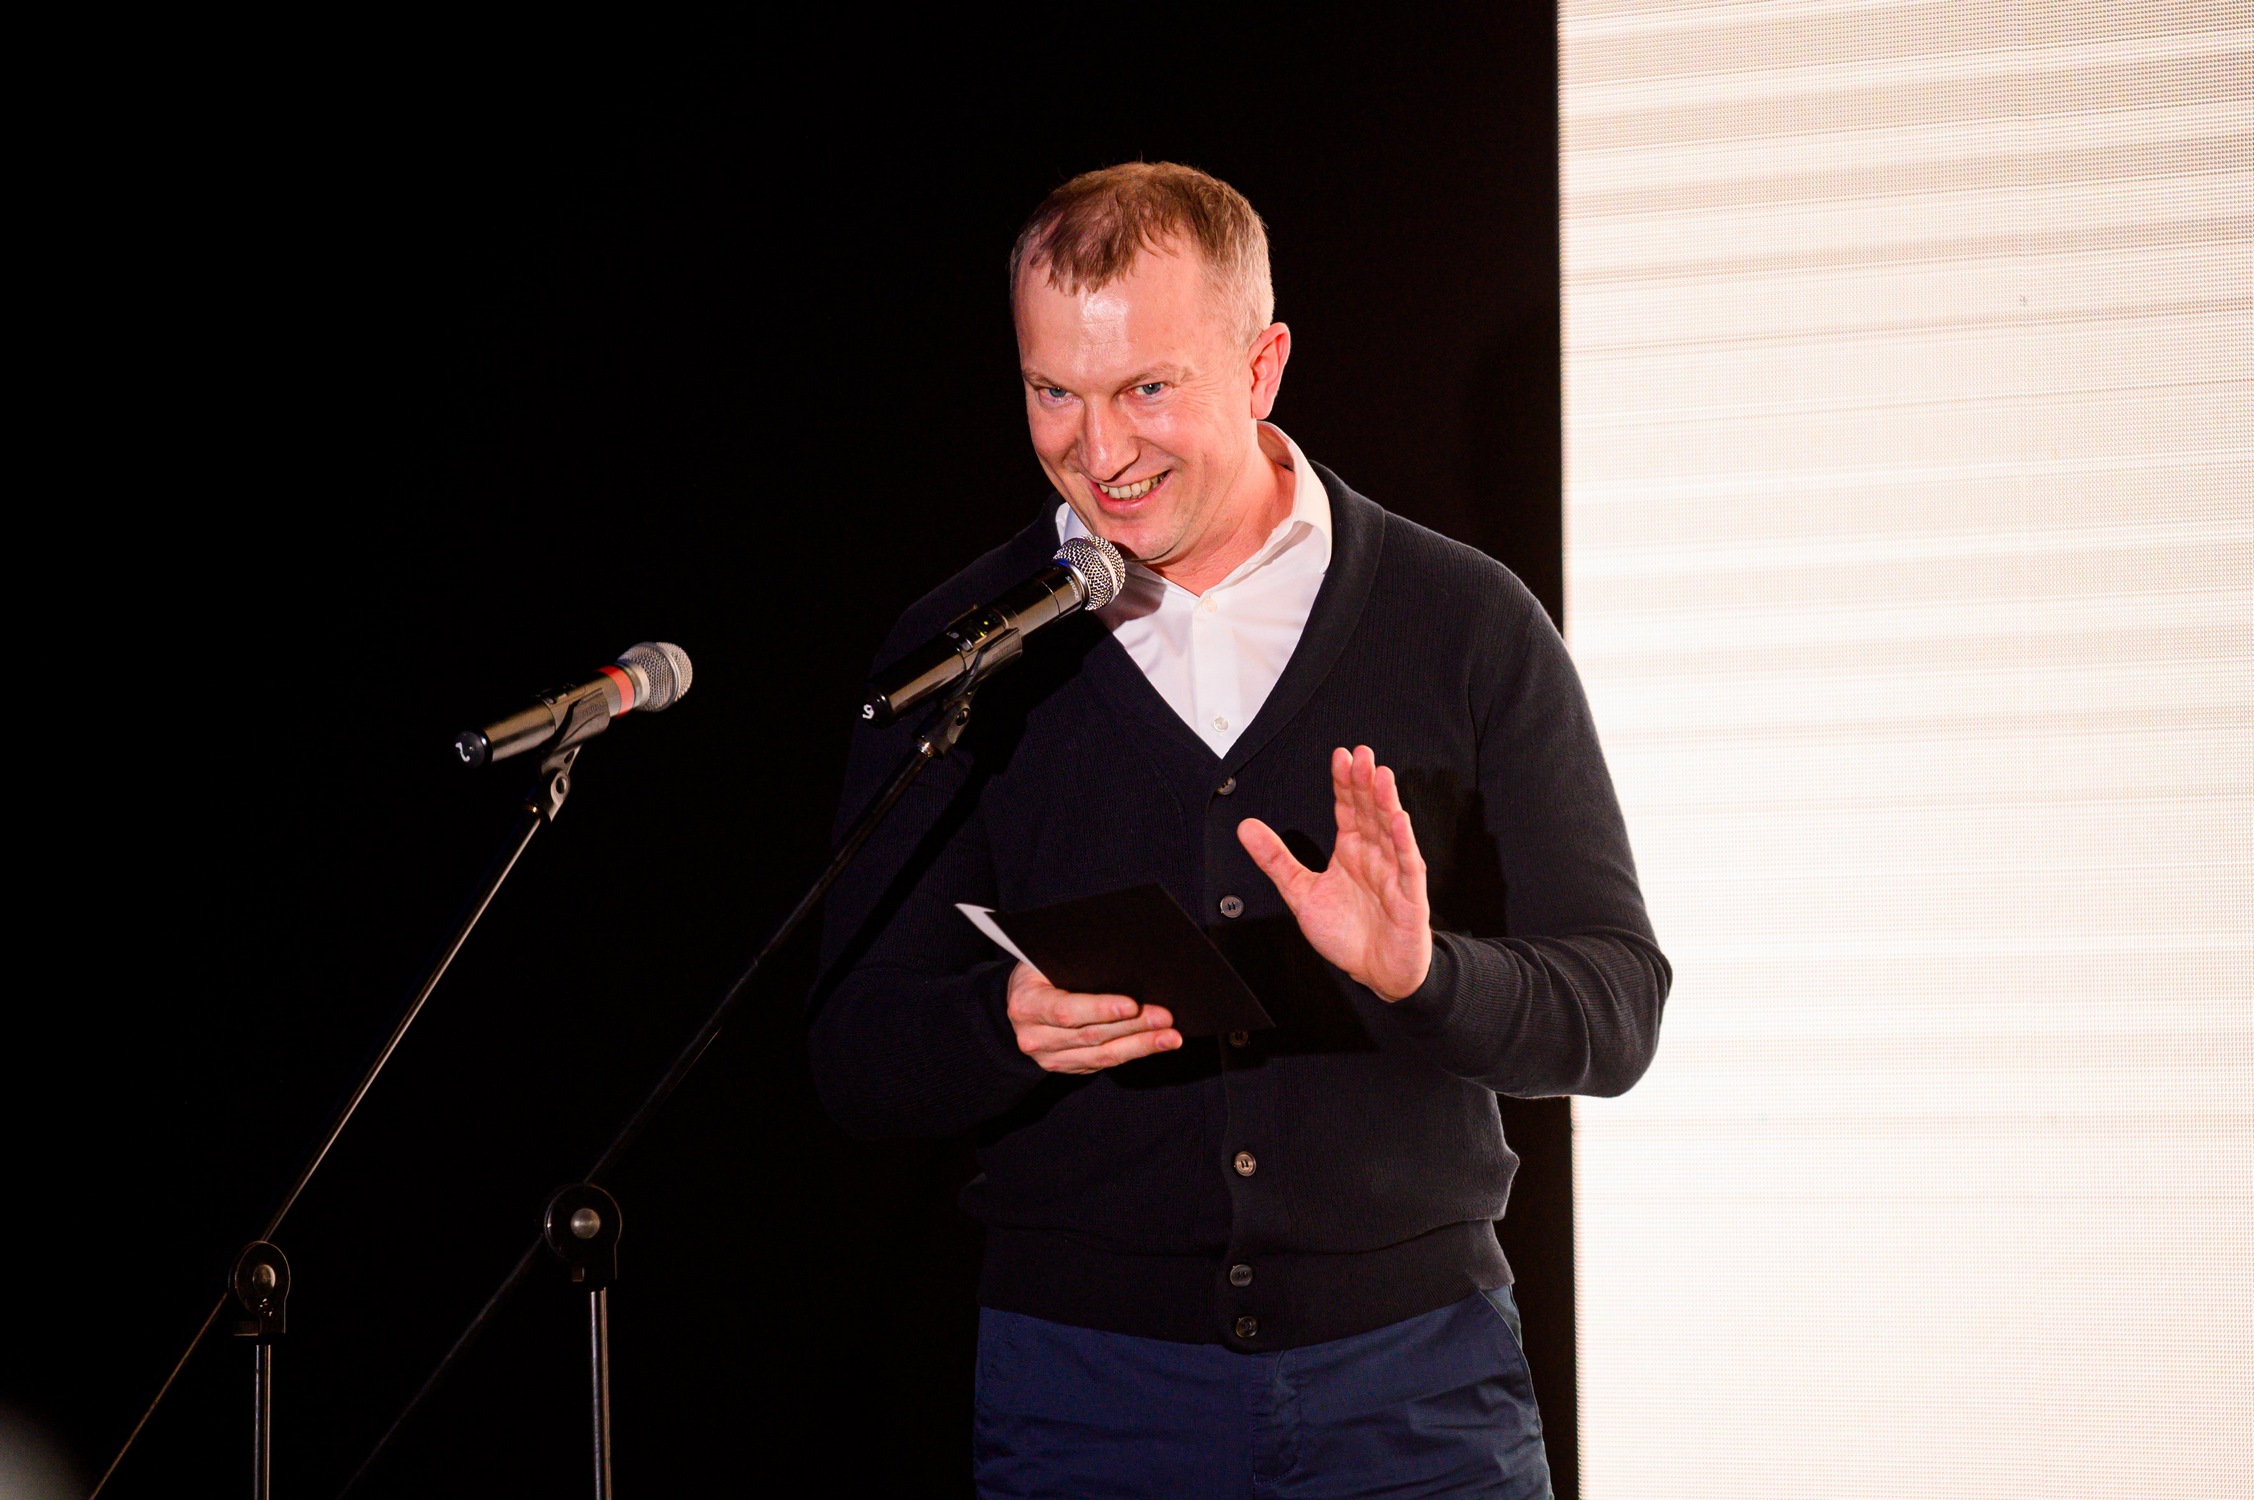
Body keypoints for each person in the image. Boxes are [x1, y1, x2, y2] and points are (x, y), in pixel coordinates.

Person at [810, 161, 1668, 1500]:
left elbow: (1614, 1013)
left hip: (1415, 1390)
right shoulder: (962, 657)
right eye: (1053, 392)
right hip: (1085, 1397)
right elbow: (854, 1057)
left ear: (1262, 367)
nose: (1099, 451)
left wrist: (1424, 975)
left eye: (1147, 389)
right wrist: (1003, 1027)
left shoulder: (1463, 620)